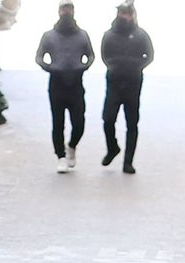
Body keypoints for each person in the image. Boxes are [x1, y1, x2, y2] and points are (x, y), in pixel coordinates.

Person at [36, 2, 94, 172]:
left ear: (73, 11)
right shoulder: (49, 36)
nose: (66, 12)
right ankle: (60, 156)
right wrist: (50, 67)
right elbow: (39, 57)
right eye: (63, 9)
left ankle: (72, 146)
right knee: (58, 122)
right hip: (57, 83)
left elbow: (90, 55)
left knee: (79, 122)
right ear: (59, 11)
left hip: (76, 83)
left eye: (69, 9)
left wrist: (83, 66)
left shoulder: (82, 35)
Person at [99, 2, 153, 172]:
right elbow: (104, 54)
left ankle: (128, 162)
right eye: (122, 13)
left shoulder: (141, 35)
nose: (125, 17)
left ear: (133, 15)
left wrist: (137, 66)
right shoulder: (109, 35)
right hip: (114, 83)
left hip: (133, 83)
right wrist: (113, 66)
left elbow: (149, 55)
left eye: (128, 14)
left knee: (132, 123)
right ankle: (112, 147)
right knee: (108, 119)